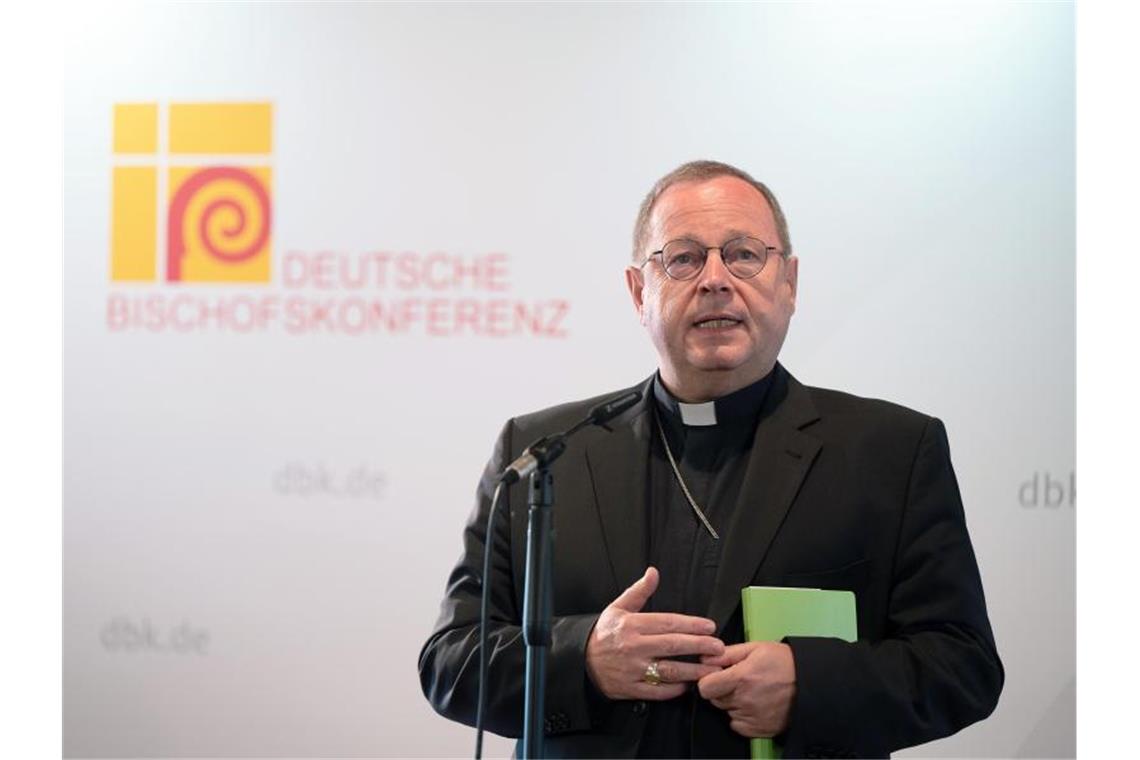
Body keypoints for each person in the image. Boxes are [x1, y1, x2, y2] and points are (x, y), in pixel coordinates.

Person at [418, 160, 1003, 758]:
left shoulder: (891, 451)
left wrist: (811, 684)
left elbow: (964, 665)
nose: (716, 280)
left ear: (790, 282)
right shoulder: (544, 453)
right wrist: (584, 657)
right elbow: (449, 663)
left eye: (744, 254)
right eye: (683, 258)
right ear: (638, 291)